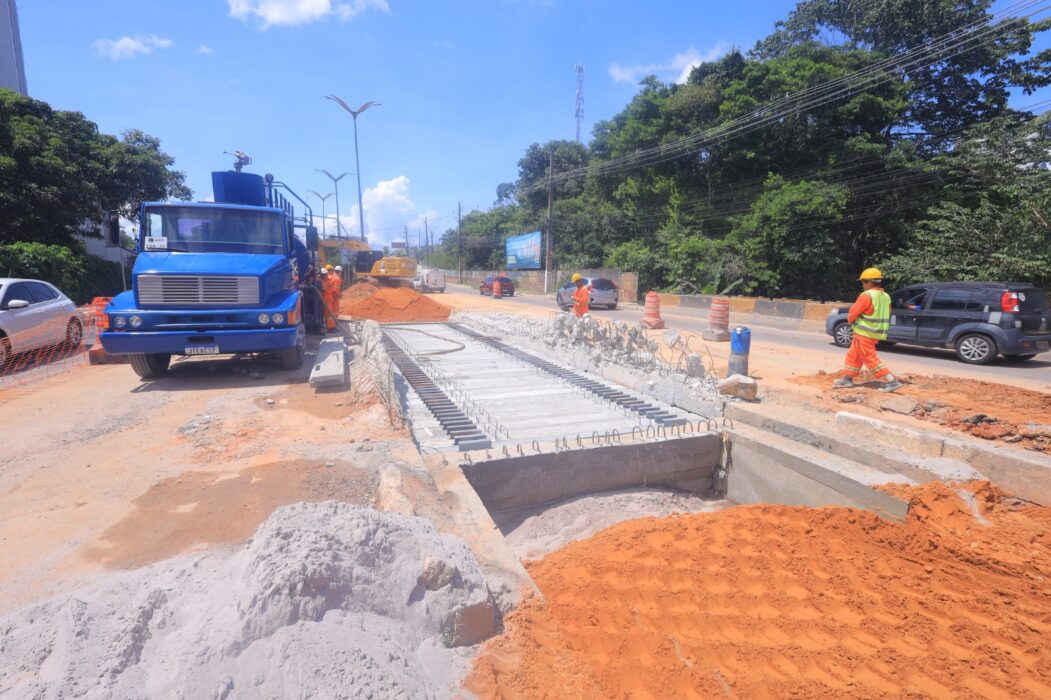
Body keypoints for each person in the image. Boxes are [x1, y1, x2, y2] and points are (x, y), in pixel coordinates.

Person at [834, 267, 902, 392]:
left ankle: (892, 381)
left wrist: (851, 321)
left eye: (863, 282)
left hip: (864, 333)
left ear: (869, 282)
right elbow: (888, 312)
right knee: (854, 355)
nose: (863, 285)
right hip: (874, 333)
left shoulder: (866, 295)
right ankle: (847, 379)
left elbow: (853, 313)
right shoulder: (886, 296)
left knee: (869, 358)